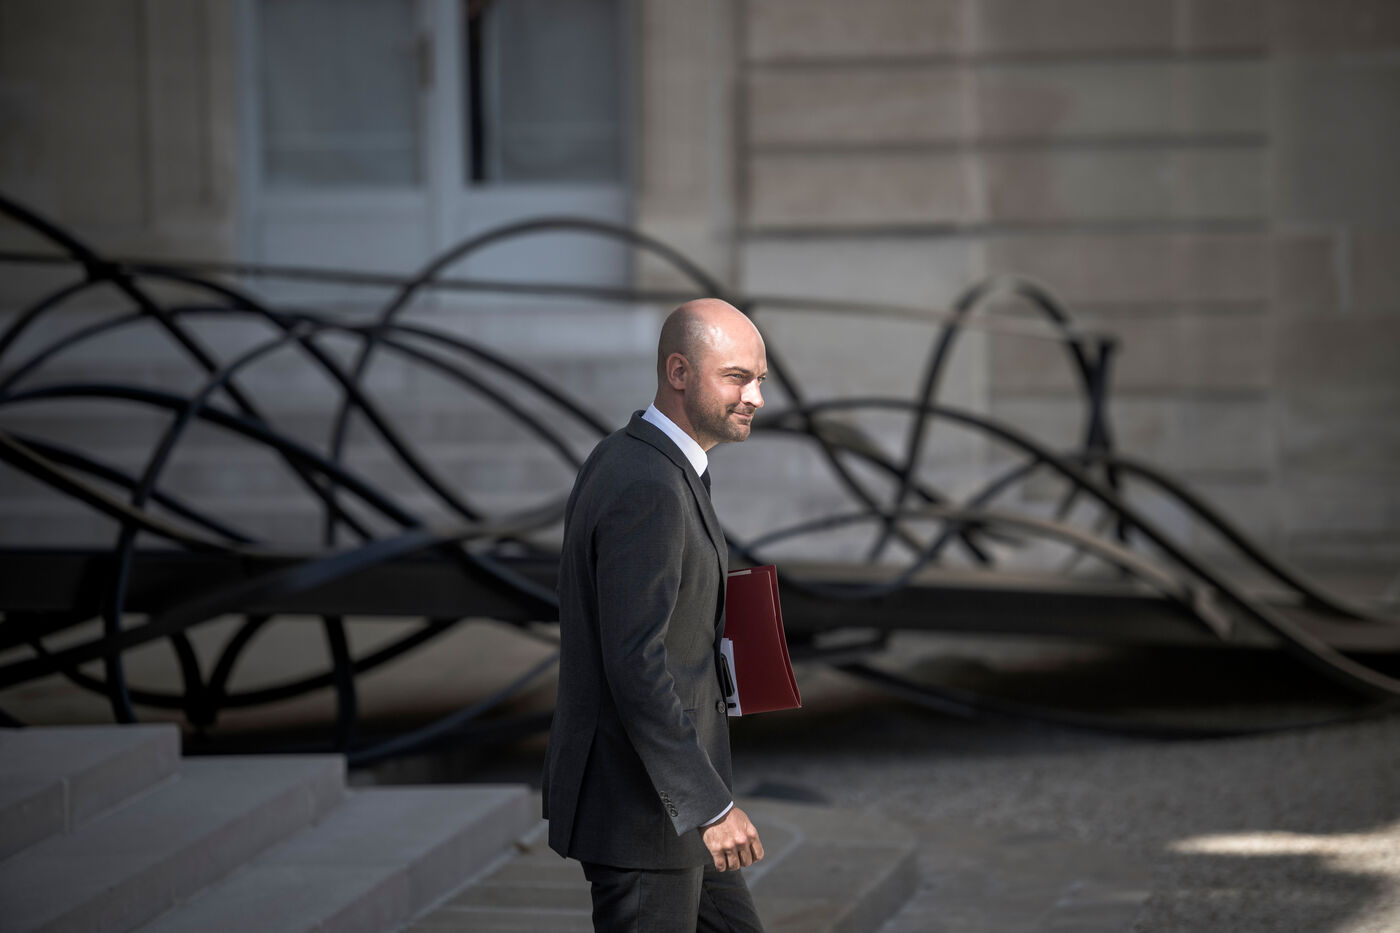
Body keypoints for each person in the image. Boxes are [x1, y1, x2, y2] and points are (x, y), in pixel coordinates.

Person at [542, 298, 768, 932]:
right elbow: (635, 664)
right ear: (679, 372)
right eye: (736, 378)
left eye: (759, 380)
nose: (755, 397)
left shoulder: (642, 457)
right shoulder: (648, 483)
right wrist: (710, 808)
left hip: (673, 809)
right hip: (644, 813)